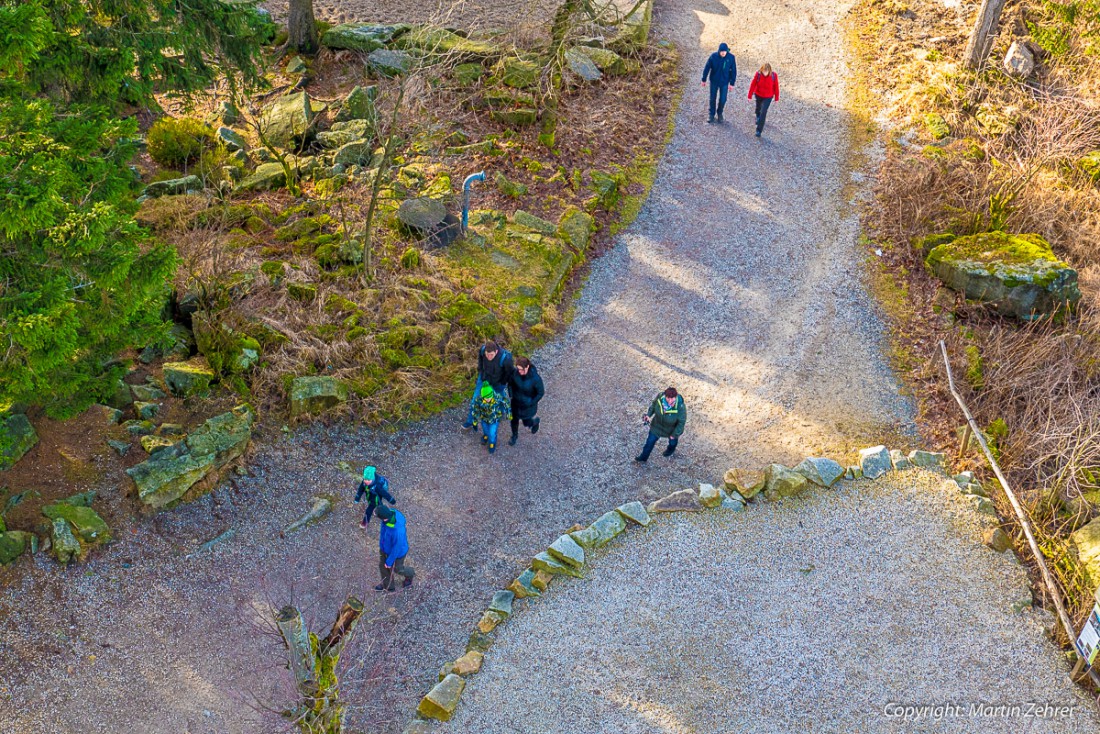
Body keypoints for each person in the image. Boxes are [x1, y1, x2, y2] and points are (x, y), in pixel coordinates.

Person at [462, 340, 513, 430]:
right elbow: (480, 361)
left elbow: (509, 373)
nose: (489, 357)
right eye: (487, 354)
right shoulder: (482, 350)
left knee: (499, 397)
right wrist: (481, 372)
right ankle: (470, 422)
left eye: (491, 355)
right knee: (475, 400)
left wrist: (502, 383)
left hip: (498, 383)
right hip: (484, 379)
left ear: (496, 351)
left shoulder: (505, 359)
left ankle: (502, 411)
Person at [635, 387, 687, 462]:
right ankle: (643, 458)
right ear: (665, 396)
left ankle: (670, 450)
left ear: (675, 397)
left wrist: (675, 434)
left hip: (671, 430)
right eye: (668, 398)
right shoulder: (660, 397)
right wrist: (648, 415)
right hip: (656, 426)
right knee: (649, 443)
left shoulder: (680, 407)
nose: (670, 401)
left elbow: (681, 423)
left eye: (672, 398)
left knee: (672, 443)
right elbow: (653, 406)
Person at [374, 504, 414, 592]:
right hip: (385, 549)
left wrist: (389, 561)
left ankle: (410, 573)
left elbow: (397, 548)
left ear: (384, 518)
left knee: (397, 569)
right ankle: (389, 587)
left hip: (398, 553)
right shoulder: (388, 516)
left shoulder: (397, 531)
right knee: (383, 567)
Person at [508, 357, 545, 446]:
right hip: (515, 404)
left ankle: (535, 422)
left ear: (527, 367)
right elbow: (510, 384)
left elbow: (540, 393)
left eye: (521, 370)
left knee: (526, 423)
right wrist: (511, 394)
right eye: (518, 369)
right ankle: (514, 436)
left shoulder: (535, 379)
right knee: (513, 421)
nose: (519, 371)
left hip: (527, 407)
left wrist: (531, 402)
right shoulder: (514, 373)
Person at [701, 42, 737, 124]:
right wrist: (704, 79)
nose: (723, 53)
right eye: (722, 51)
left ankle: (720, 113)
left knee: (723, 99)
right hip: (714, 81)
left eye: (725, 51)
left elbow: (734, 71)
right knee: (712, 98)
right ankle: (711, 114)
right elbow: (707, 67)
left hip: (724, 82)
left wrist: (732, 83)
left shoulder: (731, 58)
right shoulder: (713, 57)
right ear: (719, 51)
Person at [471, 382, 509, 454]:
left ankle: (492, 442)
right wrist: (475, 421)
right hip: (484, 419)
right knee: (485, 430)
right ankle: (485, 435)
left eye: (490, 396)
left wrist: (508, 412)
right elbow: (475, 410)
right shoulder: (478, 400)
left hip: (494, 420)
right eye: (486, 397)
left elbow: (505, 402)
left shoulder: (497, 397)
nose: (488, 399)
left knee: (492, 433)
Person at [354, 465, 396, 529]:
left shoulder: (377, 487)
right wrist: (357, 498)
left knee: (375, 511)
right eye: (365, 479)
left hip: (376, 500)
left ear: (372, 479)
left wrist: (391, 500)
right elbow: (360, 490)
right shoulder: (364, 483)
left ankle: (389, 519)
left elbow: (384, 493)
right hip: (371, 498)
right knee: (376, 510)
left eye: (368, 480)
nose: (366, 481)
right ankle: (385, 516)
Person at [747, 62, 779, 138]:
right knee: (758, 108)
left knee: (763, 112)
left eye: (766, 71)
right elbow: (753, 84)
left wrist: (776, 98)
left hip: (768, 96)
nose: (765, 73)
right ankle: (757, 115)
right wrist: (749, 96)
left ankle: (759, 130)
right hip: (758, 94)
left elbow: (776, 87)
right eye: (763, 71)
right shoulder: (758, 74)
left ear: (769, 71)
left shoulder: (774, 76)